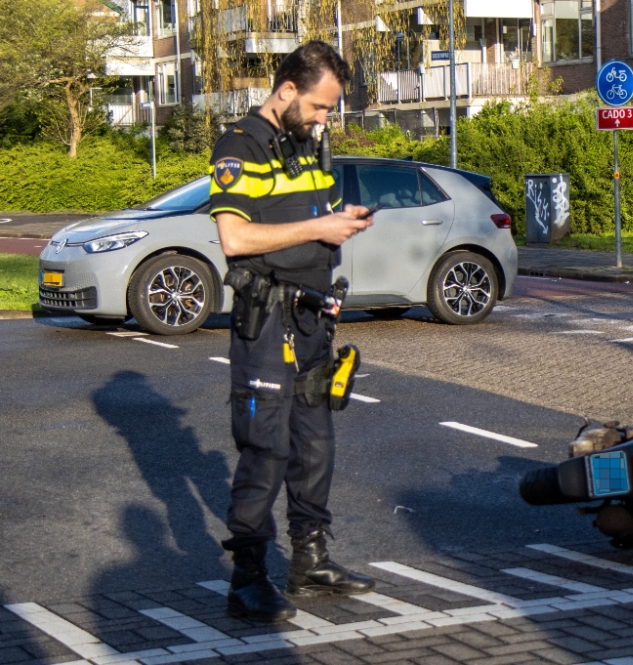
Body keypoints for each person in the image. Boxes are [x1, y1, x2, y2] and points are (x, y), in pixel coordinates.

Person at [209, 41, 375, 624]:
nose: (326, 119)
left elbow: (315, 225)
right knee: (266, 448)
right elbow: (235, 239)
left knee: (314, 444)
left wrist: (342, 226)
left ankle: (310, 559)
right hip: (266, 321)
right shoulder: (240, 146)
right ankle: (247, 578)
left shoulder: (308, 146)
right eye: (321, 107)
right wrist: (321, 224)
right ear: (287, 91)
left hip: (311, 318)